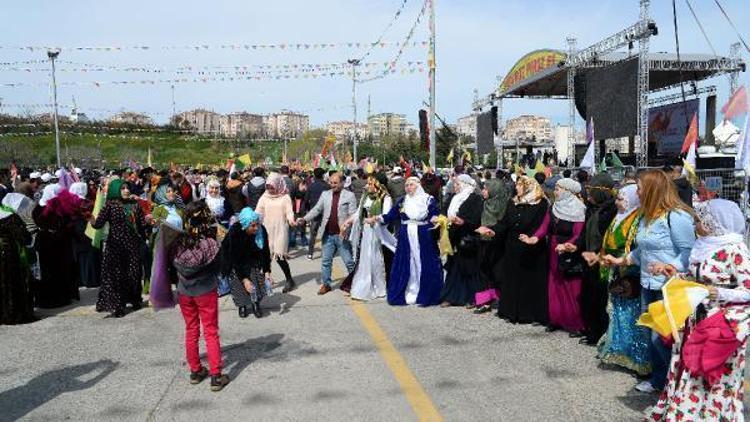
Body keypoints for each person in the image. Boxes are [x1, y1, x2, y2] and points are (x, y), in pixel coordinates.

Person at [646, 199, 749, 420]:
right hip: (696, 319)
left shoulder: (735, 249)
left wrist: (719, 293)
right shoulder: (703, 245)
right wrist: (670, 272)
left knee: (714, 373)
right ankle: (688, 413)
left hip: (721, 324)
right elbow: (695, 279)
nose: (695, 225)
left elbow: (748, 289)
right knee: (691, 369)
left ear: (714, 223)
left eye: (699, 220)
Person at [605, 169, 696, 394]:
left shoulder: (676, 216)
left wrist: (669, 266)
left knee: (662, 336)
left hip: (669, 287)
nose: (637, 191)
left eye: (639, 187)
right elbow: (640, 250)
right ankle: (659, 380)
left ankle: (672, 384)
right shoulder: (647, 216)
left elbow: (689, 252)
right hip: (647, 284)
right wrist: (619, 260)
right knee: (651, 334)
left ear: (653, 189)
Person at [586, 184, 650, 376]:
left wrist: (618, 259)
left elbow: (634, 246)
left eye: (621, 199)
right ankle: (619, 351)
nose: (617, 202)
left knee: (633, 316)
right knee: (617, 313)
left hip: (629, 270)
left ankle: (637, 358)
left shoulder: (638, 218)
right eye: (617, 199)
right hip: (614, 267)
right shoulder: (619, 217)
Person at [171, 201, 230, 392]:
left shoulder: (176, 241)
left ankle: (195, 371)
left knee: (191, 330)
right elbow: (220, 267)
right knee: (211, 332)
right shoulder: (210, 243)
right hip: (205, 290)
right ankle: (215, 375)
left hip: (184, 291)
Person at [477, 175, 549, 325]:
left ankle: (528, 313)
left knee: (528, 281)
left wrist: (531, 238)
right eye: (516, 185)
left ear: (528, 186)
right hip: (512, 246)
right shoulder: (513, 202)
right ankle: (510, 311)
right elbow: (504, 223)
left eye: (520, 185)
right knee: (511, 279)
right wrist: (493, 231)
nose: (516, 187)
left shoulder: (540, 204)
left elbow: (539, 226)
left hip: (531, 248)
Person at [366, 176, 443, 306]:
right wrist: (376, 218)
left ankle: (426, 293)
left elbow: (434, 215)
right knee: (408, 262)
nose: (408, 188)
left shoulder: (428, 200)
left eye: (411, 185)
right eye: (406, 185)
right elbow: (390, 216)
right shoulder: (402, 201)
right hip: (406, 236)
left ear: (418, 185)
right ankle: (409, 291)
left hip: (423, 236)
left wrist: (437, 220)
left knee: (424, 262)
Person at [525, 178, 586, 334]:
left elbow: (578, 235)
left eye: (558, 189)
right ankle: (556, 319)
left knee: (571, 287)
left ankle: (575, 323)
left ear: (567, 191)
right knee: (554, 284)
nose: (555, 191)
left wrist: (566, 246)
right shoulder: (554, 207)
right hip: (552, 249)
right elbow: (545, 226)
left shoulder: (579, 209)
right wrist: (534, 238)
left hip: (569, 251)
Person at [91, 179, 148, 318]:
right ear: (116, 190)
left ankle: (134, 299)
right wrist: (91, 219)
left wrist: (149, 221)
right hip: (115, 247)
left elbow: (141, 225)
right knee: (117, 276)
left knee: (134, 274)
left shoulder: (135, 204)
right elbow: (98, 224)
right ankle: (118, 305)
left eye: (127, 188)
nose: (126, 190)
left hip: (132, 246)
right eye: (122, 188)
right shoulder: (110, 205)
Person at [300, 172, 357, 295]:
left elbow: (353, 215)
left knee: (348, 261)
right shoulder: (325, 194)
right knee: (326, 261)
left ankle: (356, 283)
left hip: (342, 235)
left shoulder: (350, 196)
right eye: (331, 182)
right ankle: (326, 284)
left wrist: (347, 227)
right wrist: (304, 219)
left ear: (342, 183)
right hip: (328, 235)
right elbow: (317, 209)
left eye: (335, 183)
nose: (332, 185)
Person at [579, 173, 618, 345]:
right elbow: (585, 233)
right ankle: (592, 331)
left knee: (601, 298)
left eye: (592, 192)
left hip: (604, 262)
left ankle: (601, 334)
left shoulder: (612, 210)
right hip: (589, 260)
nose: (588, 196)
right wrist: (576, 247)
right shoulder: (592, 209)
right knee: (589, 296)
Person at [342, 173, 394, 301]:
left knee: (376, 259)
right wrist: (348, 221)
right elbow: (359, 212)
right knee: (365, 259)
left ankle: (379, 287)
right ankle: (363, 286)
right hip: (366, 232)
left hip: (379, 233)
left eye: (370, 183)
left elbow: (387, 217)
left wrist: (375, 219)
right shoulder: (365, 197)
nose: (367, 186)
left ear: (378, 185)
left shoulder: (385, 198)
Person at [439, 174, 484, 307]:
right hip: (454, 237)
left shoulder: (474, 198)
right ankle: (451, 296)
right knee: (453, 267)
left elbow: (476, 218)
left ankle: (472, 298)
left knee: (469, 268)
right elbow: (445, 211)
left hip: (467, 237)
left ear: (465, 184)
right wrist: (440, 219)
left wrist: (463, 221)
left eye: (458, 184)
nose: (455, 187)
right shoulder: (454, 198)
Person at [33, 184, 80, 308]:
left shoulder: (43, 207)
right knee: (50, 271)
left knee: (57, 270)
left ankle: (59, 297)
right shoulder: (45, 207)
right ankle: (52, 299)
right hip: (50, 242)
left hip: (54, 242)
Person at [221, 207, 272, 319]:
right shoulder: (236, 231)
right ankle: (242, 305)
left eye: (257, 224)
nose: (256, 228)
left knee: (256, 280)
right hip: (235, 260)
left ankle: (255, 303)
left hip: (253, 258)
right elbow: (236, 259)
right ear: (244, 225)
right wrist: (244, 279)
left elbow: (265, 252)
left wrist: (267, 271)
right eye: (252, 226)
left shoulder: (261, 230)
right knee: (238, 282)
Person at [255, 172, 297, 293]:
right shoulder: (264, 197)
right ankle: (267, 280)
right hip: (266, 231)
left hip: (280, 231)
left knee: (279, 257)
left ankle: (289, 280)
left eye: (272, 187)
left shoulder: (285, 197)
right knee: (265, 258)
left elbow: (289, 212)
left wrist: (291, 220)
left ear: (278, 185)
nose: (270, 190)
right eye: (268, 187)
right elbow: (258, 212)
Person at [473, 178, 509, 314]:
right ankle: (484, 301)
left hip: (498, 243)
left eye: (486, 188)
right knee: (483, 271)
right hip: (483, 241)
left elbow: (505, 225)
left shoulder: (505, 205)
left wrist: (493, 231)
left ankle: (501, 299)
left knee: (498, 273)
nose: (483, 191)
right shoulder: (483, 204)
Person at [0, 193, 35, 324]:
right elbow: (25, 237)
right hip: (10, 254)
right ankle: (13, 312)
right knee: (12, 281)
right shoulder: (11, 218)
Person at [69, 182, 101, 288]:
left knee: (79, 256)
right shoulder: (89, 203)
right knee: (88, 256)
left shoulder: (70, 203)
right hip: (88, 231)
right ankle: (90, 279)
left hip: (76, 232)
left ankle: (81, 280)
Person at [304, 168, 329, 260]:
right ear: (323, 175)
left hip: (314, 212)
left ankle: (310, 254)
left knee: (313, 234)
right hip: (325, 212)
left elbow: (306, 200)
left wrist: (307, 210)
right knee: (325, 233)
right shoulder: (327, 186)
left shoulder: (311, 186)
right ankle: (326, 252)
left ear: (314, 175)